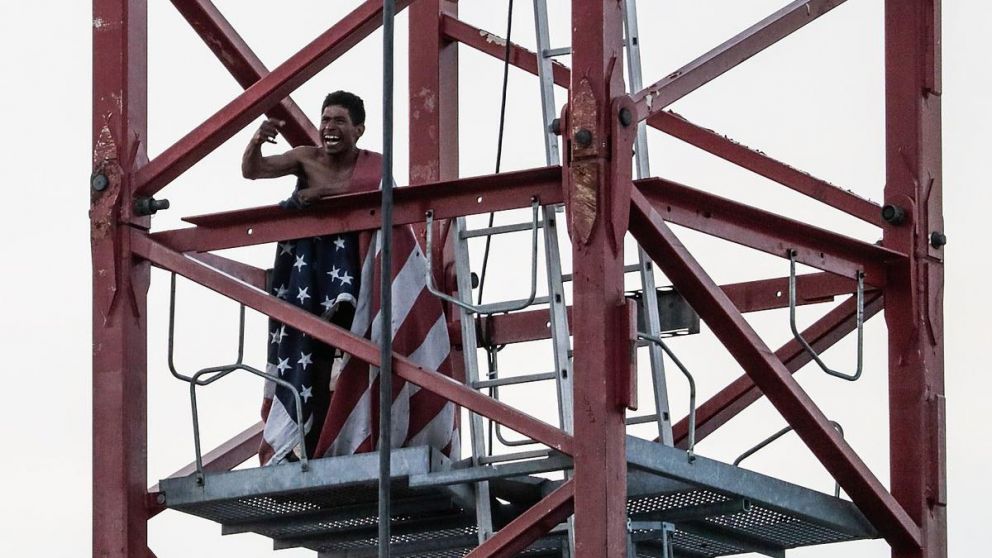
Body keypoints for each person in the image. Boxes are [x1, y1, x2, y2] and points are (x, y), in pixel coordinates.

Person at [244, 91, 383, 464]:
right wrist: (256, 142)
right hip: (309, 274)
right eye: (325, 120)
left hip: (353, 267)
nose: (328, 128)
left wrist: (323, 194)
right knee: (310, 355)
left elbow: (382, 194)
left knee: (350, 352)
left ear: (359, 129)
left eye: (338, 120)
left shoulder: (373, 165)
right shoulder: (306, 157)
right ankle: (303, 438)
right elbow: (253, 171)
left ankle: (350, 430)